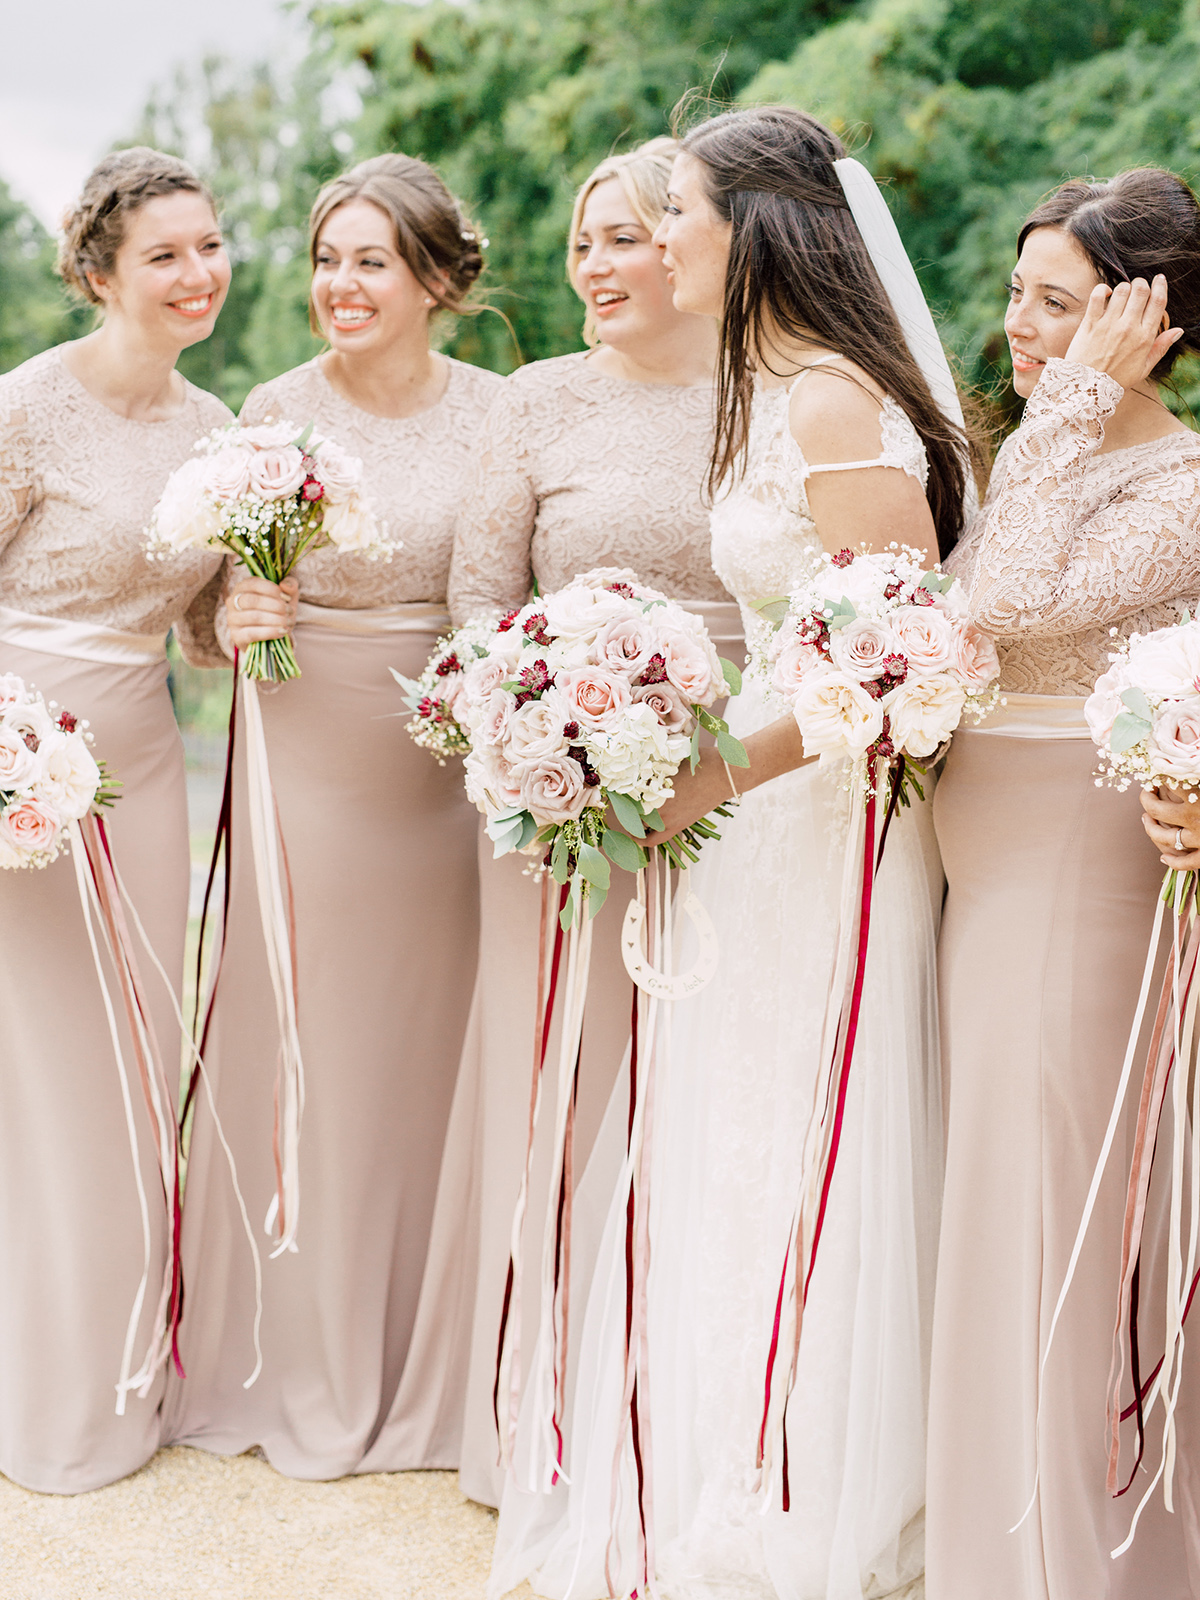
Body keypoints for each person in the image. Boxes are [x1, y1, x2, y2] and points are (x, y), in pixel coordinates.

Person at [491, 105, 969, 1599]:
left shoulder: (835, 403)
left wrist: (711, 774)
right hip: (746, 813)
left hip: (820, 825)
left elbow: (903, 665)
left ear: (760, 229)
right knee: (713, 1126)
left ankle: (803, 1474)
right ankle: (709, 1454)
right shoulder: (762, 397)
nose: (658, 235)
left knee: (793, 1122)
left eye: (678, 209)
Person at [372, 137, 740, 1507]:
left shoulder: (766, 396)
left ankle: (679, 1403)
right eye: (582, 240)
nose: (593, 264)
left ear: (693, 249)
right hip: (553, 795)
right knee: (559, 1079)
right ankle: (535, 1415)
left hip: (735, 787)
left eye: (623, 237)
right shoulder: (531, 403)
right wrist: (540, 730)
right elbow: (479, 597)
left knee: (704, 1081)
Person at [163, 154, 502, 1478]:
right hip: (301, 749)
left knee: (426, 1044)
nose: (339, 286)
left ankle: (431, 1349)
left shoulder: (498, 416)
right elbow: (196, 602)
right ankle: (293, 1343)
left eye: (368, 261)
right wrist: (227, 615)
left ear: (432, 279)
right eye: (326, 260)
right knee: (308, 1032)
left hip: (445, 755)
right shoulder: (272, 408)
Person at [926, 170, 1200, 1599]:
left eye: (1057, 301)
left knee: (1052, 1201)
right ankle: (1013, 1525)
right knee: (1001, 1187)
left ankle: (1060, 1558)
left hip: (1079, 880)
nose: (1018, 325)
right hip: (983, 875)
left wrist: (1071, 407)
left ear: (1147, 318)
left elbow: (1005, 608)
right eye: (1017, 293)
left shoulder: (1183, 481)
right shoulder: (1034, 453)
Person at [0, 147, 231, 1492]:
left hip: (139, 759)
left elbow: (195, 628)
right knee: (44, 1066)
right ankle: (36, 1383)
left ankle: (120, 1369)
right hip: (20, 758)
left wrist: (250, 608)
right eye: (164, 254)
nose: (197, 274)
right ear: (98, 273)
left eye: (208, 246)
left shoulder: (217, 432)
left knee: (136, 1060)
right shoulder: (25, 408)